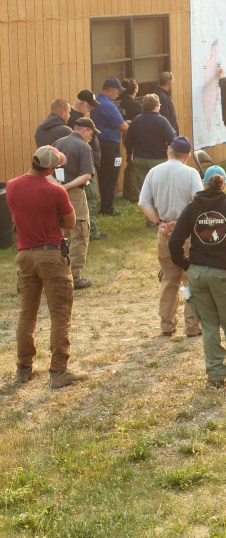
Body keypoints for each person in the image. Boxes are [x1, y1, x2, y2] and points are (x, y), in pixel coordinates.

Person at [169, 166, 226, 388]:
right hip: (225, 273)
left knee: (209, 325)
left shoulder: (192, 209)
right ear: (224, 185)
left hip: (199, 273)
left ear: (203, 183)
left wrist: (185, 264)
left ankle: (216, 376)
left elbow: (174, 241)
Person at [6, 146, 89, 389]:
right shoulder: (55, 191)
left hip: (25, 255)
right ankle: (59, 371)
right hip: (51, 255)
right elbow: (71, 223)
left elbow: (15, 217)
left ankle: (23, 368)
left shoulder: (12, 185)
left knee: (27, 313)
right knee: (60, 313)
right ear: (51, 168)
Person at [138, 136, 203, 338]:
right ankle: (192, 325)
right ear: (187, 155)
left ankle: (167, 323)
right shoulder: (191, 173)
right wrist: (180, 222)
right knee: (190, 279)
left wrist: (160, 222)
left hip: (164, 230)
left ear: (169, 150)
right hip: (186, 232)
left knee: (169, 278)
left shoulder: (154, 172)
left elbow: (144, 203)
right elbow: (198, 203)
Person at [53, 118, 101, 290]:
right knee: (80, 232)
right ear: (85, 130)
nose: (92, 137)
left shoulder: (58, 142)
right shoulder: (83, 147)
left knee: (60, 233)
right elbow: (87, 175)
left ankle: (58, 273)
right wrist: (66, 187)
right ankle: (74, 276)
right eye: (92, 134)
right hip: (73, 194)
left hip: (55, 193)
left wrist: (57, 187)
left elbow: (48, 168)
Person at [124, 94, 177, 201]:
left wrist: (132, 154)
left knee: (146, 190)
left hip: (140, 160)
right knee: (160, 190)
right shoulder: (162, 121)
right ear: (156, 106)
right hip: (159, 160)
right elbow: (173, 139)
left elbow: (127, 141)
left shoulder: (136, 120)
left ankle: (150, 216)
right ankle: (160, 214)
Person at [69, 90, 105, 241]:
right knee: (90, 198)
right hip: (84, 167)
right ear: (81, 103)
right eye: (90, 105)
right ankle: (91, 232)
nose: (92, 108)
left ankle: (89, 230)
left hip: (88, 164)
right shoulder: (73, 120)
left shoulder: (80, 118)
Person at [90, 77, 128, 216]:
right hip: (111, 145)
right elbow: (123, 127)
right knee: (112, 174)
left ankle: (105, 205)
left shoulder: (97, 102)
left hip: (100, 143)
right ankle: (108, 208)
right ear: (111, 90)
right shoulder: (108, 105)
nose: (118, 95)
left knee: (103, 174)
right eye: (117, 92)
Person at [120, 78, 144, 202]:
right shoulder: (135, 105)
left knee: (130, 162)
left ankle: (127, 192)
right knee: (133, 164)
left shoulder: (123, 102)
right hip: (135, 138)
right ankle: (133, 194)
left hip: (126, 136)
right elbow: (141, 120)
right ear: (135, 89)